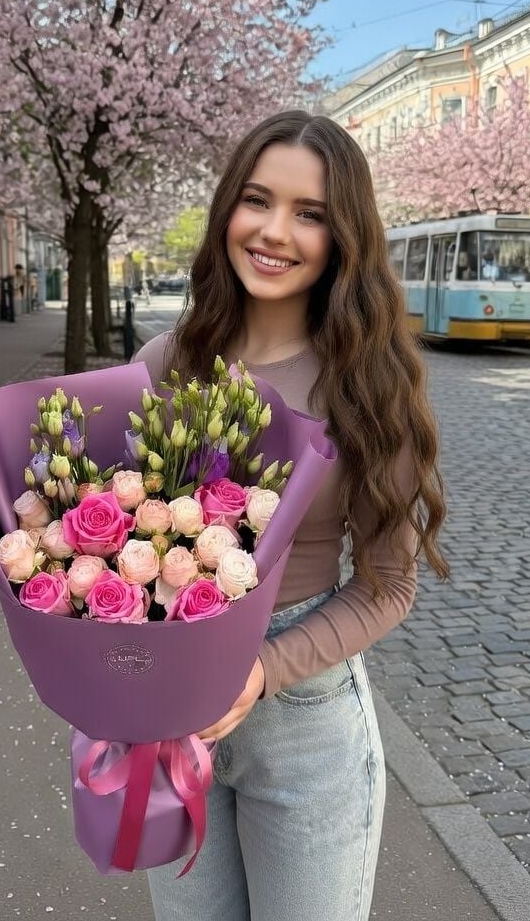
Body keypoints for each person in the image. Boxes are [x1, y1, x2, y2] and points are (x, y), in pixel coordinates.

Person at [133, 111, 448, 921]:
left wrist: (264, 669)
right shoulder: (162, 367)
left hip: (304, 721)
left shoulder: (366, 385)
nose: (275, 232)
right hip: (171, 722)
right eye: (256, 201)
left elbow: (387, 586)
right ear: (225, 213)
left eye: (309, 214)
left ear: (343, 236)